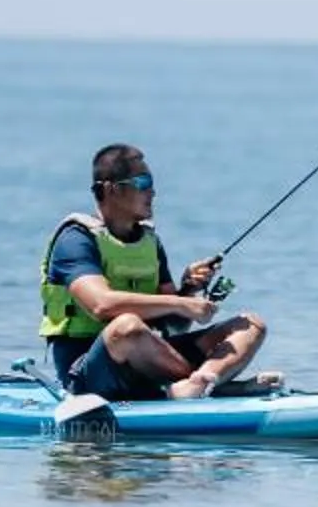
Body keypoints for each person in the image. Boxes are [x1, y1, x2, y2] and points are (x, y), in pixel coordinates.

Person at [40, 144, 269, 401]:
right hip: (89, 372)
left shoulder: (150, 243)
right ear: (111, 189)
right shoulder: (75, 240)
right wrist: (180, 303)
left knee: (251, 325)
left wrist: (188, 290)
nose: (152, 192)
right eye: (143, 183)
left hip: (153, 360)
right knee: (127, 327)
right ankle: (209, 386)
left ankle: (203, 382)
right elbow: (101, 305)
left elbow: (173, 326)